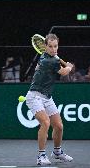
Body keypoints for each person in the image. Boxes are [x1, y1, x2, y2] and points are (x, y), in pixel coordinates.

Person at [25, 34, 73, 165]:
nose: (53, 49)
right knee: (45, 123)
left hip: (47, 97)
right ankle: (41, 156)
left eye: (55, 46)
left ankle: (57, 152)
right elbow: (63, 73)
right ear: (45, 47)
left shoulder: (48, 57)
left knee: (59, 126)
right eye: (50, 46)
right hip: (34, 96)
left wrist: (66, 67)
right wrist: (69, 66)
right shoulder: (50, 60)